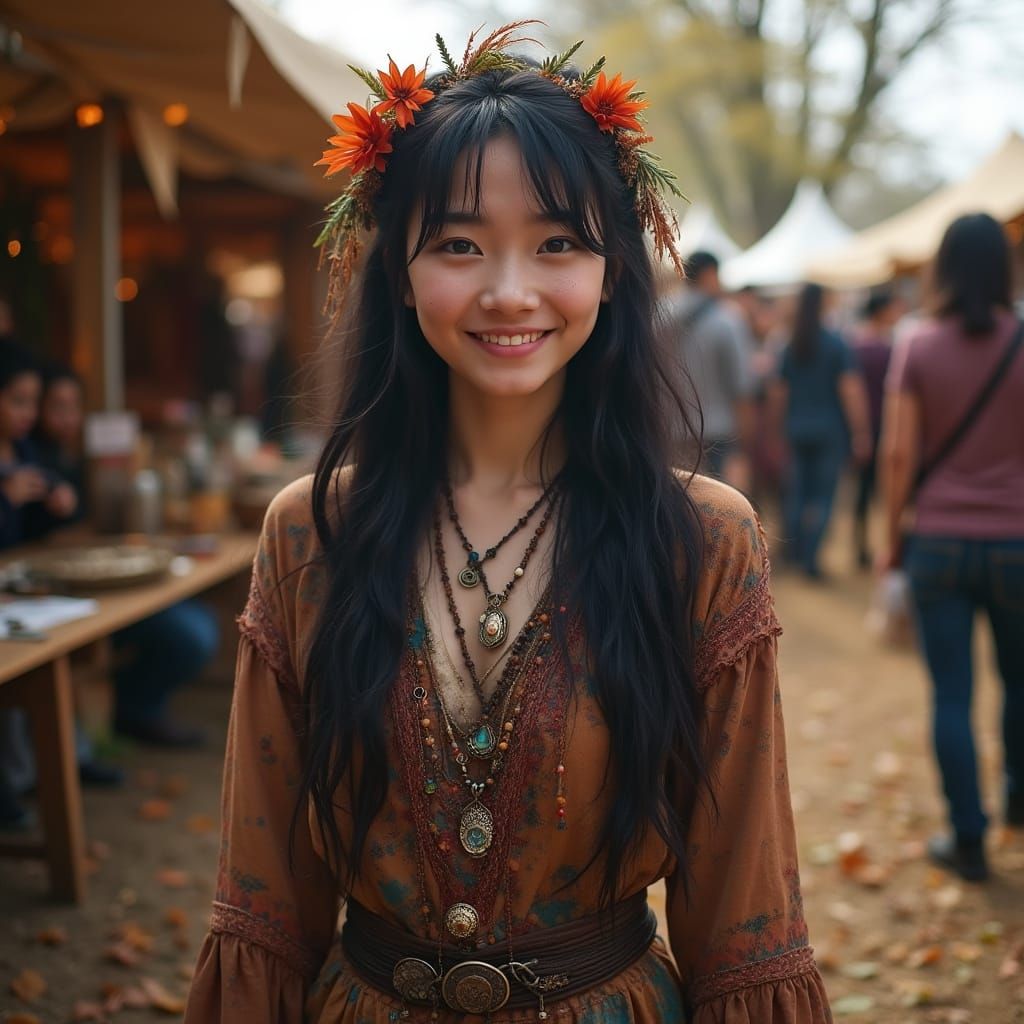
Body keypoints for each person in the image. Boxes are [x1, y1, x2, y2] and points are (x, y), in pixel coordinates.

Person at [184, 25, 829, 1022]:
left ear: (614, 268)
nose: (509, 289)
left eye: (557, 242)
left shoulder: (700, 538)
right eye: (458, 244)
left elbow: (744, 913)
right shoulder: (312, 533)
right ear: (396, 269)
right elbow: (264, 893)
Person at [880, 213, 1024, 883]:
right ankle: (1017, 801)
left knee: (951, 697)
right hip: (1017, 542)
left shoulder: (918, 345)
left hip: (937, 541)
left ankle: (968, 840)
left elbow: (899, 453)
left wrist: (889, 547)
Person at [31, 363, 218, 750]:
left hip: (102, 585)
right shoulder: (26, 462)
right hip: (50, 596)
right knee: (190, 632)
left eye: (74, 406)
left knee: (198, 626)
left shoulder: (79, 458)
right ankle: (83, 747)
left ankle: (136, 709)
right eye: (55, 407)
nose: (67, 418)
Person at [770, 283, 871, 579]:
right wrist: (861, 432)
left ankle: (796, 552)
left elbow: (779, 393)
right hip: (829, 431)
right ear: (824, 303)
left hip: (796, 429)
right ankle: (811, 558)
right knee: (824, 497)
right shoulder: (836, 343)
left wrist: (776, 431)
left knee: (797, 494)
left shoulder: (790, 344)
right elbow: (850, 391)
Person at [663, 250, 756, 489]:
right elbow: (742, 386)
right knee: (718, 510)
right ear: (711, 275)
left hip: (670, 432)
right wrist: (746, 442)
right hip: (717, 435)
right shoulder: (727, 320)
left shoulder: (657, 317)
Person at [850, 290, 900, 569]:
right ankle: (877, 545)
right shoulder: (888, 348)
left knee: (862, 491)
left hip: (863, 427)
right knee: (880, 490)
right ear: (882, 311)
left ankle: (860, 545)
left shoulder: (854, 344)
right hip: (884, 426)